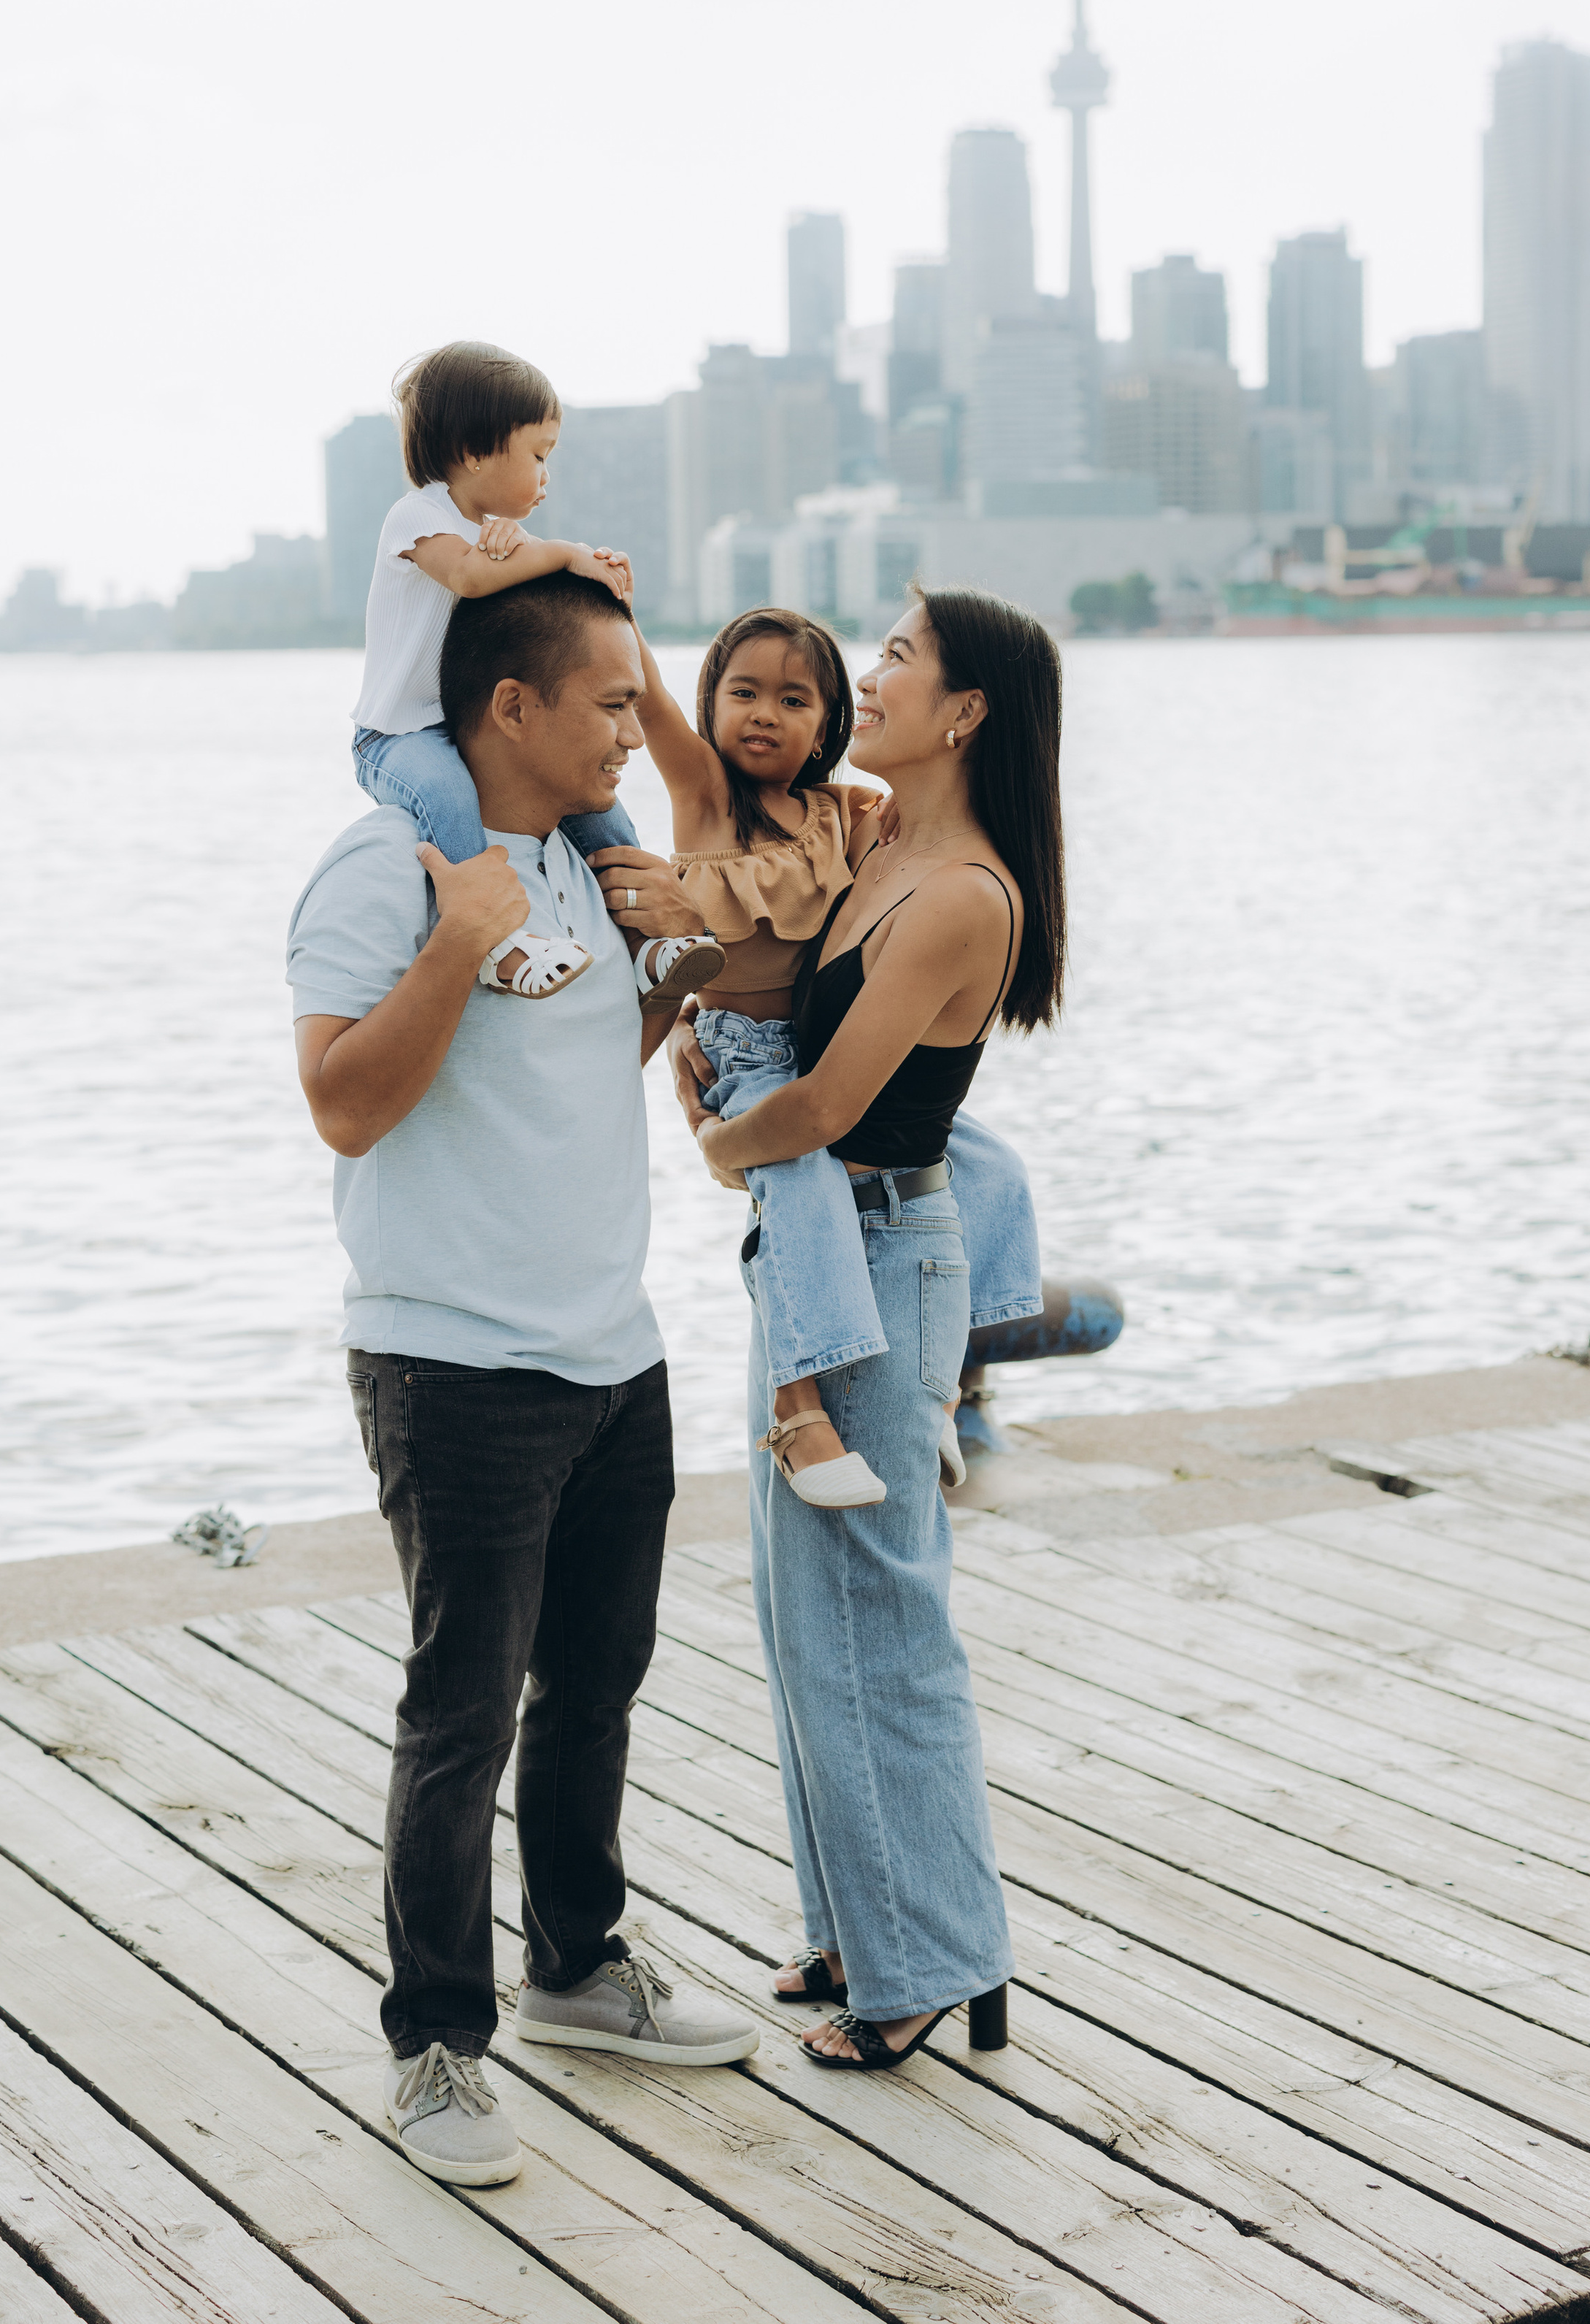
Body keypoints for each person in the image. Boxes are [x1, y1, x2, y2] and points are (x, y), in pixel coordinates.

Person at [288, 569, 759, 2191]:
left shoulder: (580, 861)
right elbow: (345, 1106)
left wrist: (683, 968)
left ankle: (575, 1966)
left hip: (612, 1352)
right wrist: (454, 945)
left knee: (596, 1684)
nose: (641, 727)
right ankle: (436, 2046)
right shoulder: (388, 871)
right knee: (460, 1714)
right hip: (454, 1365)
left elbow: (570, 1057)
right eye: (617, 701)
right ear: (513, 709)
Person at [672, 586, 1067, 2071]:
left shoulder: (963, 892)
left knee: (876, 1619)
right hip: (813, 1251)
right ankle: (856, 1920)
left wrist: (720, 1149)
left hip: (886, 1257)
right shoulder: (880, 839)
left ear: (962, 711)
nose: (872, 673)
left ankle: (924, 1964)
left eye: (898, 656)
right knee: (799, 1614)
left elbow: (830, 1105)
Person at [637, 607, 1042, 1506]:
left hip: (808, 1063)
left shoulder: (847, 822)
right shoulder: (706, 798)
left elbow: (906, 832)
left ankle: (956, 1363)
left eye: (794, 699)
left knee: (986, 1163)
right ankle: (799, 1404)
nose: (764, 715)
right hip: (749, 1053)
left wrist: (713, 1147)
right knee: (800, 1191)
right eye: (742, 693)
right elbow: (651, 701)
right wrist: (606, 600)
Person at [349, 337, 723, 1011]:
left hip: (462, 728)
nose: (547, 476)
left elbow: (533, 620)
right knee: (451, 800)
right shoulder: (418, 514)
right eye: (539, 455)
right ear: (473, 452)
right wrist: (570, 553)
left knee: (601, 815)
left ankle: (648, 946)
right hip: (398, 737)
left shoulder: (499, 534)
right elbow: (468, 575)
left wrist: (595, 583)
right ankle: (500, 943)